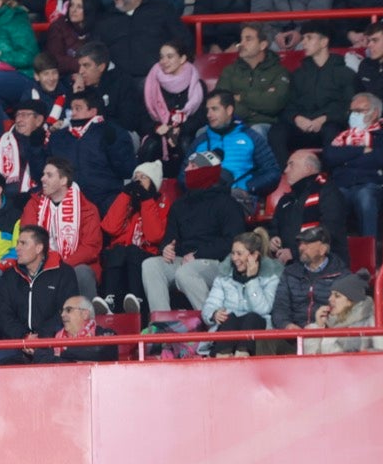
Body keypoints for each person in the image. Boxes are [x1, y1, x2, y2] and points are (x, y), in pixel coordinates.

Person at [141, 151, 244, 314]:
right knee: (151, 265)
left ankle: (213, 321)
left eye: (193, 166)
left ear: (207, 171)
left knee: (186, 272)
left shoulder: (227, 203)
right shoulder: (180, 205)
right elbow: (170, 238)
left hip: (218, 263)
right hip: (184, 261)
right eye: (188, 165)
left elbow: (233, 242)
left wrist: (198, 254)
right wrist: (167, 249)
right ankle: (164, 325)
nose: (187, 170)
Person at [22, 158, 104, 301]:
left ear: (63, 180)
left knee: (83, 273)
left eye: (49, 175)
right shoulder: (33, 204)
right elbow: (28, 238)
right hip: (40, 264)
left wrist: (61, 265)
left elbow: (91, 248)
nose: (42, 179)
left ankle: (90, 319)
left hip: (73, 266)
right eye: (43, 174)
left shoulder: (87, 209)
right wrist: (46, 264)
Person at [270, 27, 354, 164]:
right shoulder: (298, 74)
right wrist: (296, 118)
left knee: (332, 131)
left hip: (329, 126)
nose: (304, 43)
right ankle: (286, 174)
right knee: (277, 132)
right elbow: (287, 105)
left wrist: (325, 118)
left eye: (309, 38)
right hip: (302, 127)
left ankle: (329, 178)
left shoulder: (344, 73)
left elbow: (349, 106)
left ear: (324, 42)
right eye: (303, 38)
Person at [99, 162, 167, 317]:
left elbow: (154, 236)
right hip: (120, 257)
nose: (137, 181)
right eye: (135, 177)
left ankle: (137, 300)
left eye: (143, 177)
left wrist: (146, 201)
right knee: (116, 251)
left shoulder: (161, 204)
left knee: (132, 251)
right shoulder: (127, 203)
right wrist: (124, 195)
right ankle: (109, 301)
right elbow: (109, 227)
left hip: (145, 255)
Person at [323, 92, 383, 239]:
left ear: (374, 113)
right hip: (340, 185)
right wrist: (361, 150)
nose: (353, 115)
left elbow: (377, 160)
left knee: (365, 199)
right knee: (331, 202)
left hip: (368, 184)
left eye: (359, 111)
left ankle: (370, 252)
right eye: (352, 111)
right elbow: (329, 157)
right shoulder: (341, 136)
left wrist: (344, 159)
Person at [97, 0, 189, 80]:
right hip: (117, 84)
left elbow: (184, 43)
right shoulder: (107, 17)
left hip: (159, 79)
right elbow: (96, 51)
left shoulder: (161, 11)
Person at [188, 90, 280, 199]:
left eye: (214, 109)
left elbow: (272, 172)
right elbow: (183, 176)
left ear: (229, 110)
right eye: (207, 110)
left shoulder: (251, 137)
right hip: (205, 198)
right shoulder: (201, 140)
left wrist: (247, 187)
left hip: (238, 199)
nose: (209, 115)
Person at [204, 230, 283, 357]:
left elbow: (263, 309)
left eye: (239, 254)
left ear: (254, 256)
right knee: (230, 319)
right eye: (233, 253)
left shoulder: (270, 278)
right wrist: (214, 314)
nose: (234, 258)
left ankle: (242, 357)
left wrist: (252, 281)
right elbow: (210, 304)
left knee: (252, 318)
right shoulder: (223, 278)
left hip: (256, 336)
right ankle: (222, 358)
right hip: (227, 331)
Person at [269, 150, 349, 264]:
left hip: (324, 267)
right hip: (289, 268)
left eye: (291, 165)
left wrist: (295, 253)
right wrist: (272, 239)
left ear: (308, 168)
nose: (286, 170)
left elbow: (329, 232)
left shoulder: (328, 192)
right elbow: (273, 227)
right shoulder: (286, 199)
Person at [306, 272, 383, 355]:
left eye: (337, 296)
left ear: (350, 302)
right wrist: (318, 326)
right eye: (331, 295)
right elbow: (310, 357)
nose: (330, 299)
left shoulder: (372, 323)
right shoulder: (327, 321)